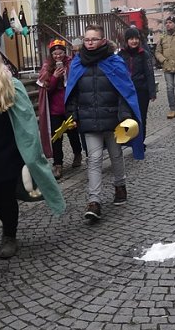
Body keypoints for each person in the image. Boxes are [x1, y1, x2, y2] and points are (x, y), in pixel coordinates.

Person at [0, 45, 64, 258]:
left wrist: (28, 152)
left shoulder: (10, 86)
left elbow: (25, 121)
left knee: (6, 196)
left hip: (6, 152)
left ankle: (9, 235)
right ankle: (8, 221)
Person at [65, 24, 144, 223]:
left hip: (112, 119)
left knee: (116, 155)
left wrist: (124, 115)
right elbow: (72, 92)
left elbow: (124, 90)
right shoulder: (77, 63)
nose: (89, 43)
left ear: (102, 40)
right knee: (94, 159)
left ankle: (120, 186)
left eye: (93, 39)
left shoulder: (114, 61)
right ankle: (94, 201)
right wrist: (72, 114)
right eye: (86, 39)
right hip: (89, 120)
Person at [38, 39, 83, 179]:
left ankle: (77, 153)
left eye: (60, 53)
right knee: (56, 137)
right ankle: (58, 164)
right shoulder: (46, 67)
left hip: (69, 106)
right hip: (54, 109)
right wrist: (54, 78)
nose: (58, 56)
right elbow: (46, 90)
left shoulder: (71, 64)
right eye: (55, 53)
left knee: (73, 133)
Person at [119, 27, 156, 145]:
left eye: (136, 38)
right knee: (127, 117)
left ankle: (140, 141)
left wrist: (152, 91)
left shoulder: (144, 54)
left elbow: (149, 73)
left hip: (141, 90)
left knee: (140, 117)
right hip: (126, 91)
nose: (134, 41)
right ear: (126, 40)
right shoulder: (121, 54)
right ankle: (129, 139)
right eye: (131, 39)